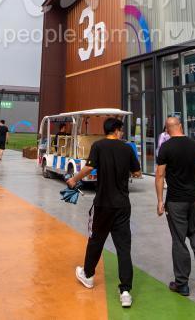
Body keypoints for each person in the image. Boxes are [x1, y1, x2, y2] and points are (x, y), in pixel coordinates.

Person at [68, 117, 141, 309]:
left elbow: (89, 167)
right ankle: (125, 292)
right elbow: (137, 173)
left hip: (103, 204)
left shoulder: (98, 146)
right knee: (123, 248)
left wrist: (74, 179)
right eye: (121, 130)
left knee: (96, 241)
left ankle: (88, 275)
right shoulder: (127, 148)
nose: (122, 133)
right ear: (116, 130)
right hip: (122, 205)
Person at [155, 116, 195, 297]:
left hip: (176, 201)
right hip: (194, 199)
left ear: (167, 130)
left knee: (179, 240)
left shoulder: (165, 148)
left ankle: (182, 283)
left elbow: (160, 175)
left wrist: (160, 200)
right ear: (180, 126)